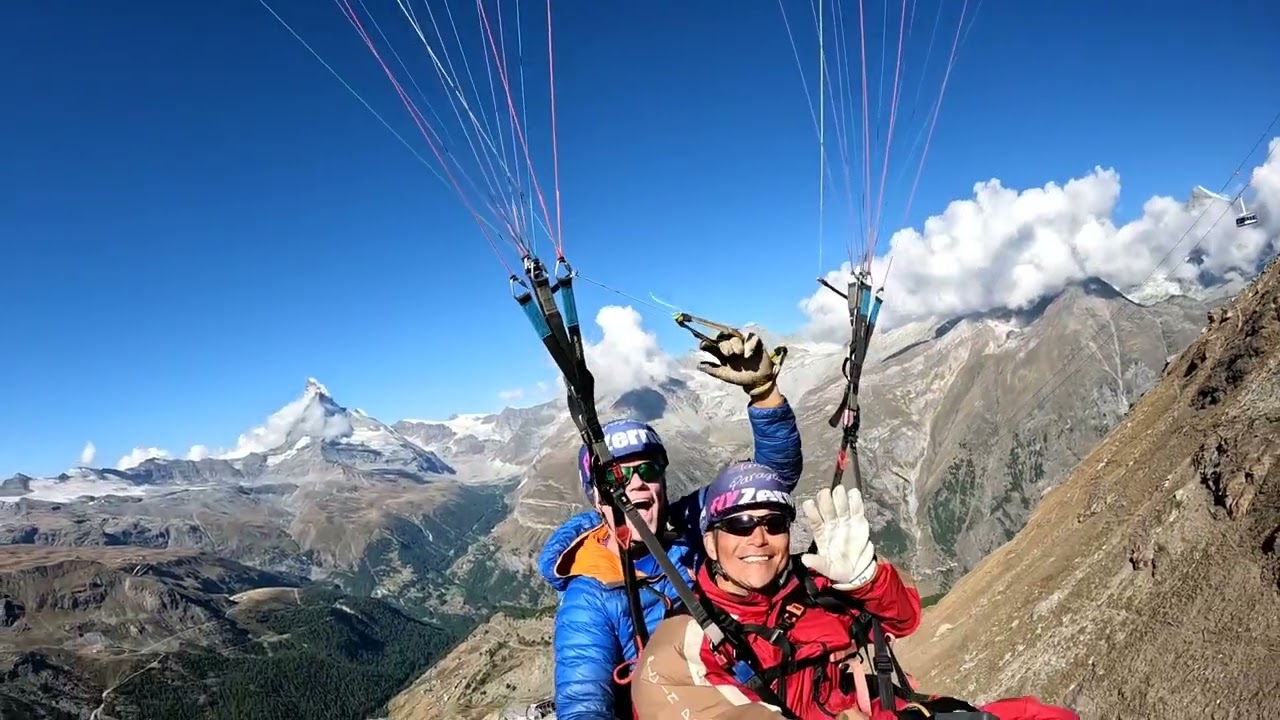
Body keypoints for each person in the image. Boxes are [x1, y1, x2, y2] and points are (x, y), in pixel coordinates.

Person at [630, 463, 1080, 720]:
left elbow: (905, 619)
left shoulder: (814, 586)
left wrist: (866, 581)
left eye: (773, 523)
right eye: (739, 525)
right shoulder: (684, 641)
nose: (758, 539)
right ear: (710, 541)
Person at [537, 332, 803, 720]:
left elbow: (769, 481)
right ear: (598, 499)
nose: (636, 485)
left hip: (749, 690)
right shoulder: (589, 598)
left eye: (648, 470)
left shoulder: (688, 524)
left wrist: (764, 395)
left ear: (662, 480)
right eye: (617, 480)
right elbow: (583, 703)